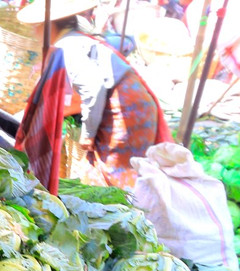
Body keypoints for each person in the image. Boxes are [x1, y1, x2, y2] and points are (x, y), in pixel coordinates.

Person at [14, 0, 173, 193]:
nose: (35, 34)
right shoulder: (74, 40)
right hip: (134, 104)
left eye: (36, 28)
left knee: (113, 175)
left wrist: (88, 133)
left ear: (48, 26)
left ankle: (127, 214)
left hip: (127, 111)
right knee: (106, 173)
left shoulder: (67, 46)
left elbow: (93, 87)